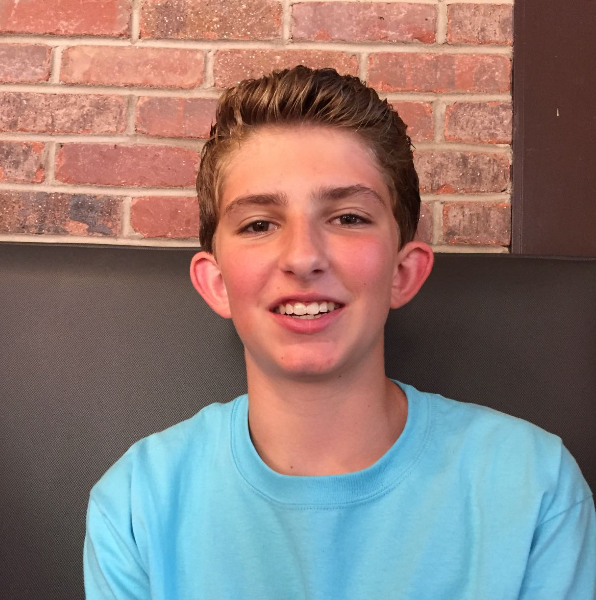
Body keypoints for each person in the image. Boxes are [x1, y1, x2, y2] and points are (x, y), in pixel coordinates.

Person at [84, 66, 595, 599]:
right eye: (259, 224)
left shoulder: (534, 488)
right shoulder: (136, 504)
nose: (303, 256)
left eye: (348, 218)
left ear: (403, 273)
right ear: (217, 284)